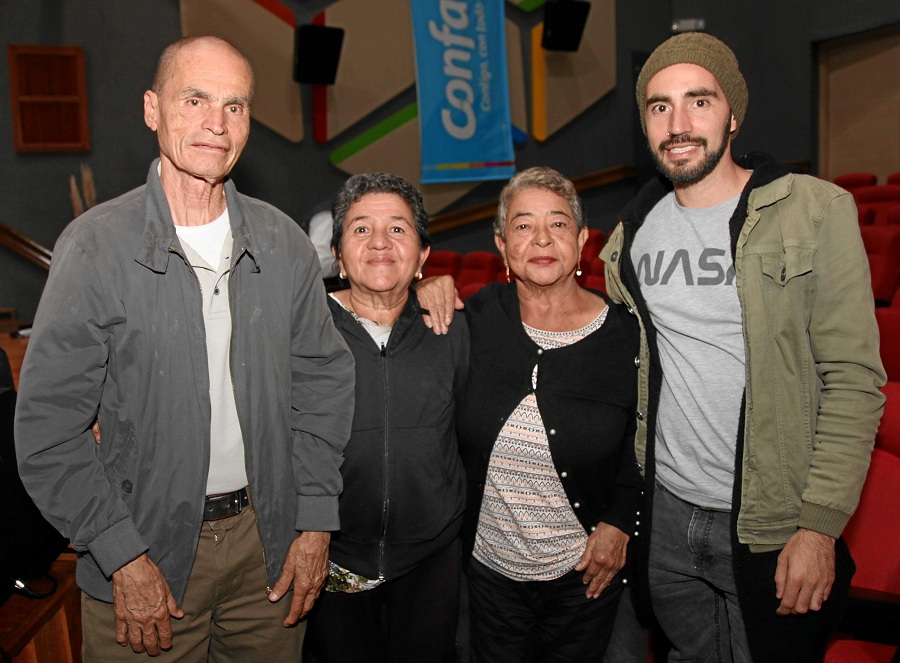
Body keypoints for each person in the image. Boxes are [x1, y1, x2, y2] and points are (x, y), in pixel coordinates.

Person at [14, 35, 356, 661]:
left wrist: (313, 521)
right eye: (195, 99)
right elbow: (47, 431)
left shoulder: (282, 244)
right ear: (152, 109)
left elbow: (324, 386)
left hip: (269, 552)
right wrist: (121, 554)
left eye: (235, 106)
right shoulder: (94, 248)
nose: (216, 124)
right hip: (145, 553)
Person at [598, 32, 886, 661]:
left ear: (734, 113)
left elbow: (854, 381)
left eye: (699, 101)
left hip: (770, 521)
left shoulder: (813, 210)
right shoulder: (632, 232)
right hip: (668, 514)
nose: (678, 124)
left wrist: (818, 527)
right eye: (658, 105)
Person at [420, 166, 643, 662]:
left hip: (586, 572)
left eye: (559, 224)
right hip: (488, 574)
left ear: (583, 239)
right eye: (523, 225)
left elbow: (643, 438)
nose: (542, 238)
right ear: (501, 244)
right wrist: (424, 287)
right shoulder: (474, 319)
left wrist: (620, 522)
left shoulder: (624, 335)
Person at [302, 172, 469, 662]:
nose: (379, 242)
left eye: (398, 229)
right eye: (360, 229)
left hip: (430, 563)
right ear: (337, 253)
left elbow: (470, 432)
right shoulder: (303, 331)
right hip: (332, 557)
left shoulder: (451, 329)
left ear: (421, 255)